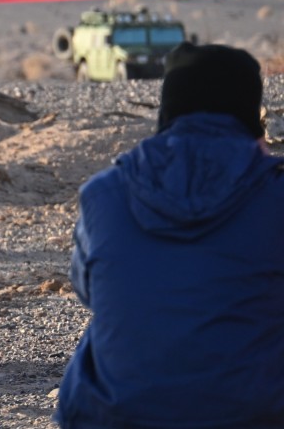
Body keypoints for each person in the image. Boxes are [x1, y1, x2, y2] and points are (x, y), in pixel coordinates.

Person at [55, 43, 284, 428]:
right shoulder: (274, 193)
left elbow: (89, 289)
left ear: (168, 108)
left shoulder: (105, 191)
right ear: (251, 113)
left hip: (117, 415)